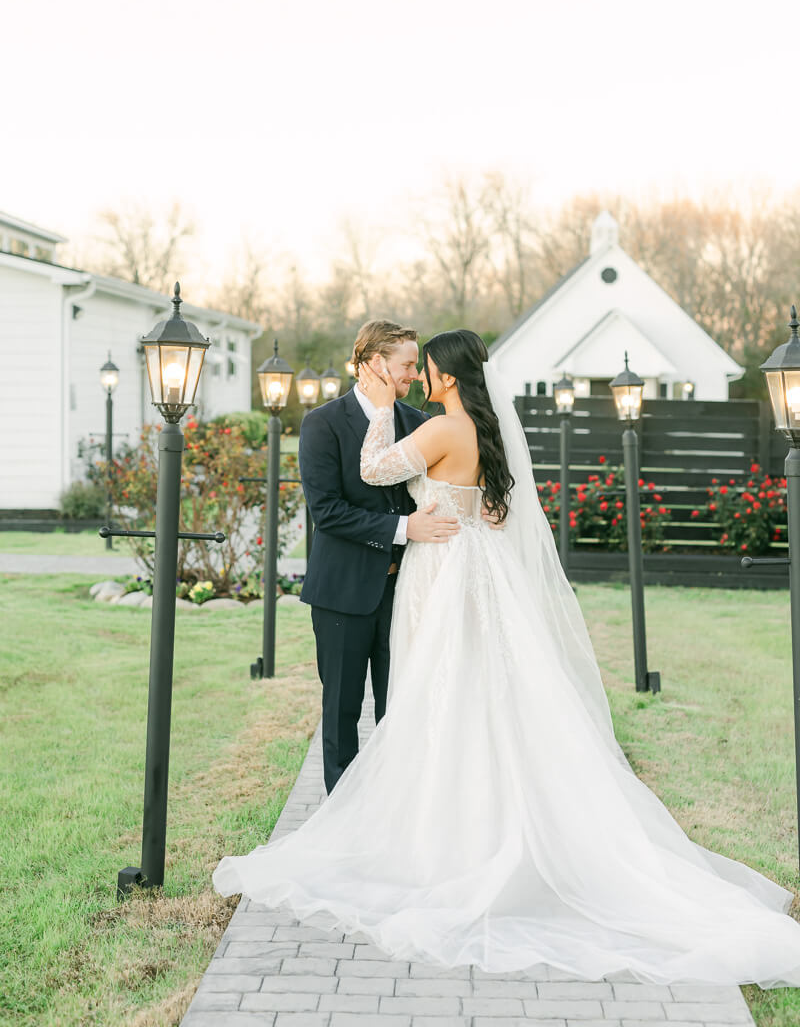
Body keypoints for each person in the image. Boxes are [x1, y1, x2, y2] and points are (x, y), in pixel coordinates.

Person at [215, 329, 800, 986]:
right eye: (410, 366)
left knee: (432, 699)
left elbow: (375, 469)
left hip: (439, 573)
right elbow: (481, 508)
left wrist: (382, 416)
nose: (419, 376)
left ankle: (433, 840)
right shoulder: (477, 431)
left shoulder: (434, 427)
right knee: (467, 696)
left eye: (426, 367)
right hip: (471, 570)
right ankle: (446, 827)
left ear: (448, 376)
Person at [297, 319, 459, 793]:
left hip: (407, 590)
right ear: (374, 363)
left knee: (402, 708)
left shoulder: (421, 424)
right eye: (407, 364)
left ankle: (396, 812)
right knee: (342, 714)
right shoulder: (322, 423)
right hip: (342, 593)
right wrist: (406, 528)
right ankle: (339, 823)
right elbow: (327, 513)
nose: (414, 374)